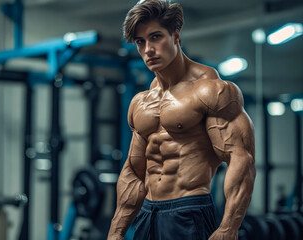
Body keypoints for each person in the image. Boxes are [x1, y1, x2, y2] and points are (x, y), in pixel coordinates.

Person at [108, 0, 256, 239]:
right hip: (148, 213)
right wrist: (116, 231)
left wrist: (229, 227)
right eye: (140, 42)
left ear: (176, 36)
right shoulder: (141, 102)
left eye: (156, 37)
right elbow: (135, 171)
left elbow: (241, 158)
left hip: (189, 211)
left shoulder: (210, 91)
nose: (148, 49)